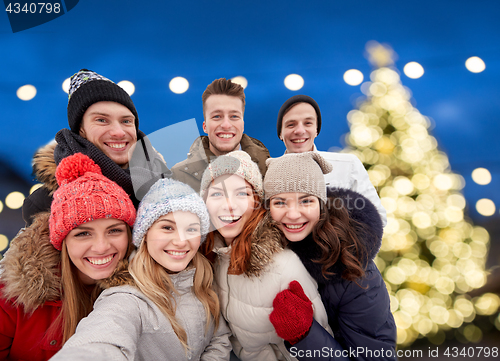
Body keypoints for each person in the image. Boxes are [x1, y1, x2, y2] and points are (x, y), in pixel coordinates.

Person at [49, 178, 231, 360]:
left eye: (192, 229)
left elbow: (219, 339)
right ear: (145, 234)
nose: (181, 241)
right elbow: (101, 340)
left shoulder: (203, 282)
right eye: (168, 227)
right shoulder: (127, 298)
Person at [0, 153, 137, 360]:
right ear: (62, 242)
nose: (101, 247)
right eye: (83, 234)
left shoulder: (144, 295)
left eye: (114, 230)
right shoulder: (12, 298)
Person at [199, 150, 332, 361]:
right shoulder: (212, 259)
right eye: (216, 194)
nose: (229, 205)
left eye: (241, 193)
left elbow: (322, 351)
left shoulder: (283, 265)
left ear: (257, 203)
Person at [265, 152, 397, 361]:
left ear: (321, 204)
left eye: (305, 201)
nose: (292, 214)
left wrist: (305, 336)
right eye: (280, 202)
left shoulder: (355, 272)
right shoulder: (264, 255)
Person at [22, 69, 170, 226]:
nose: (119, 132)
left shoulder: (169, 188)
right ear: (81, 129)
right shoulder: (46, 204)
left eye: (126, 121)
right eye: (102, 120)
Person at [276, 94, 387, 226]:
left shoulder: (347, 165)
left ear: (316, 130)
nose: (299, 130)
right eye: (291, 124)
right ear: (280, 133)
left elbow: (376, 218)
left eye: (308, 123)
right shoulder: (267, 171)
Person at [171, 78, 269, 191]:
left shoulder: (268, 169)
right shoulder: (178, 176)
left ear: (242, 125)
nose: (226, 125)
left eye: (234, 116)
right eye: (217, 116)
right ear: (205, 127)